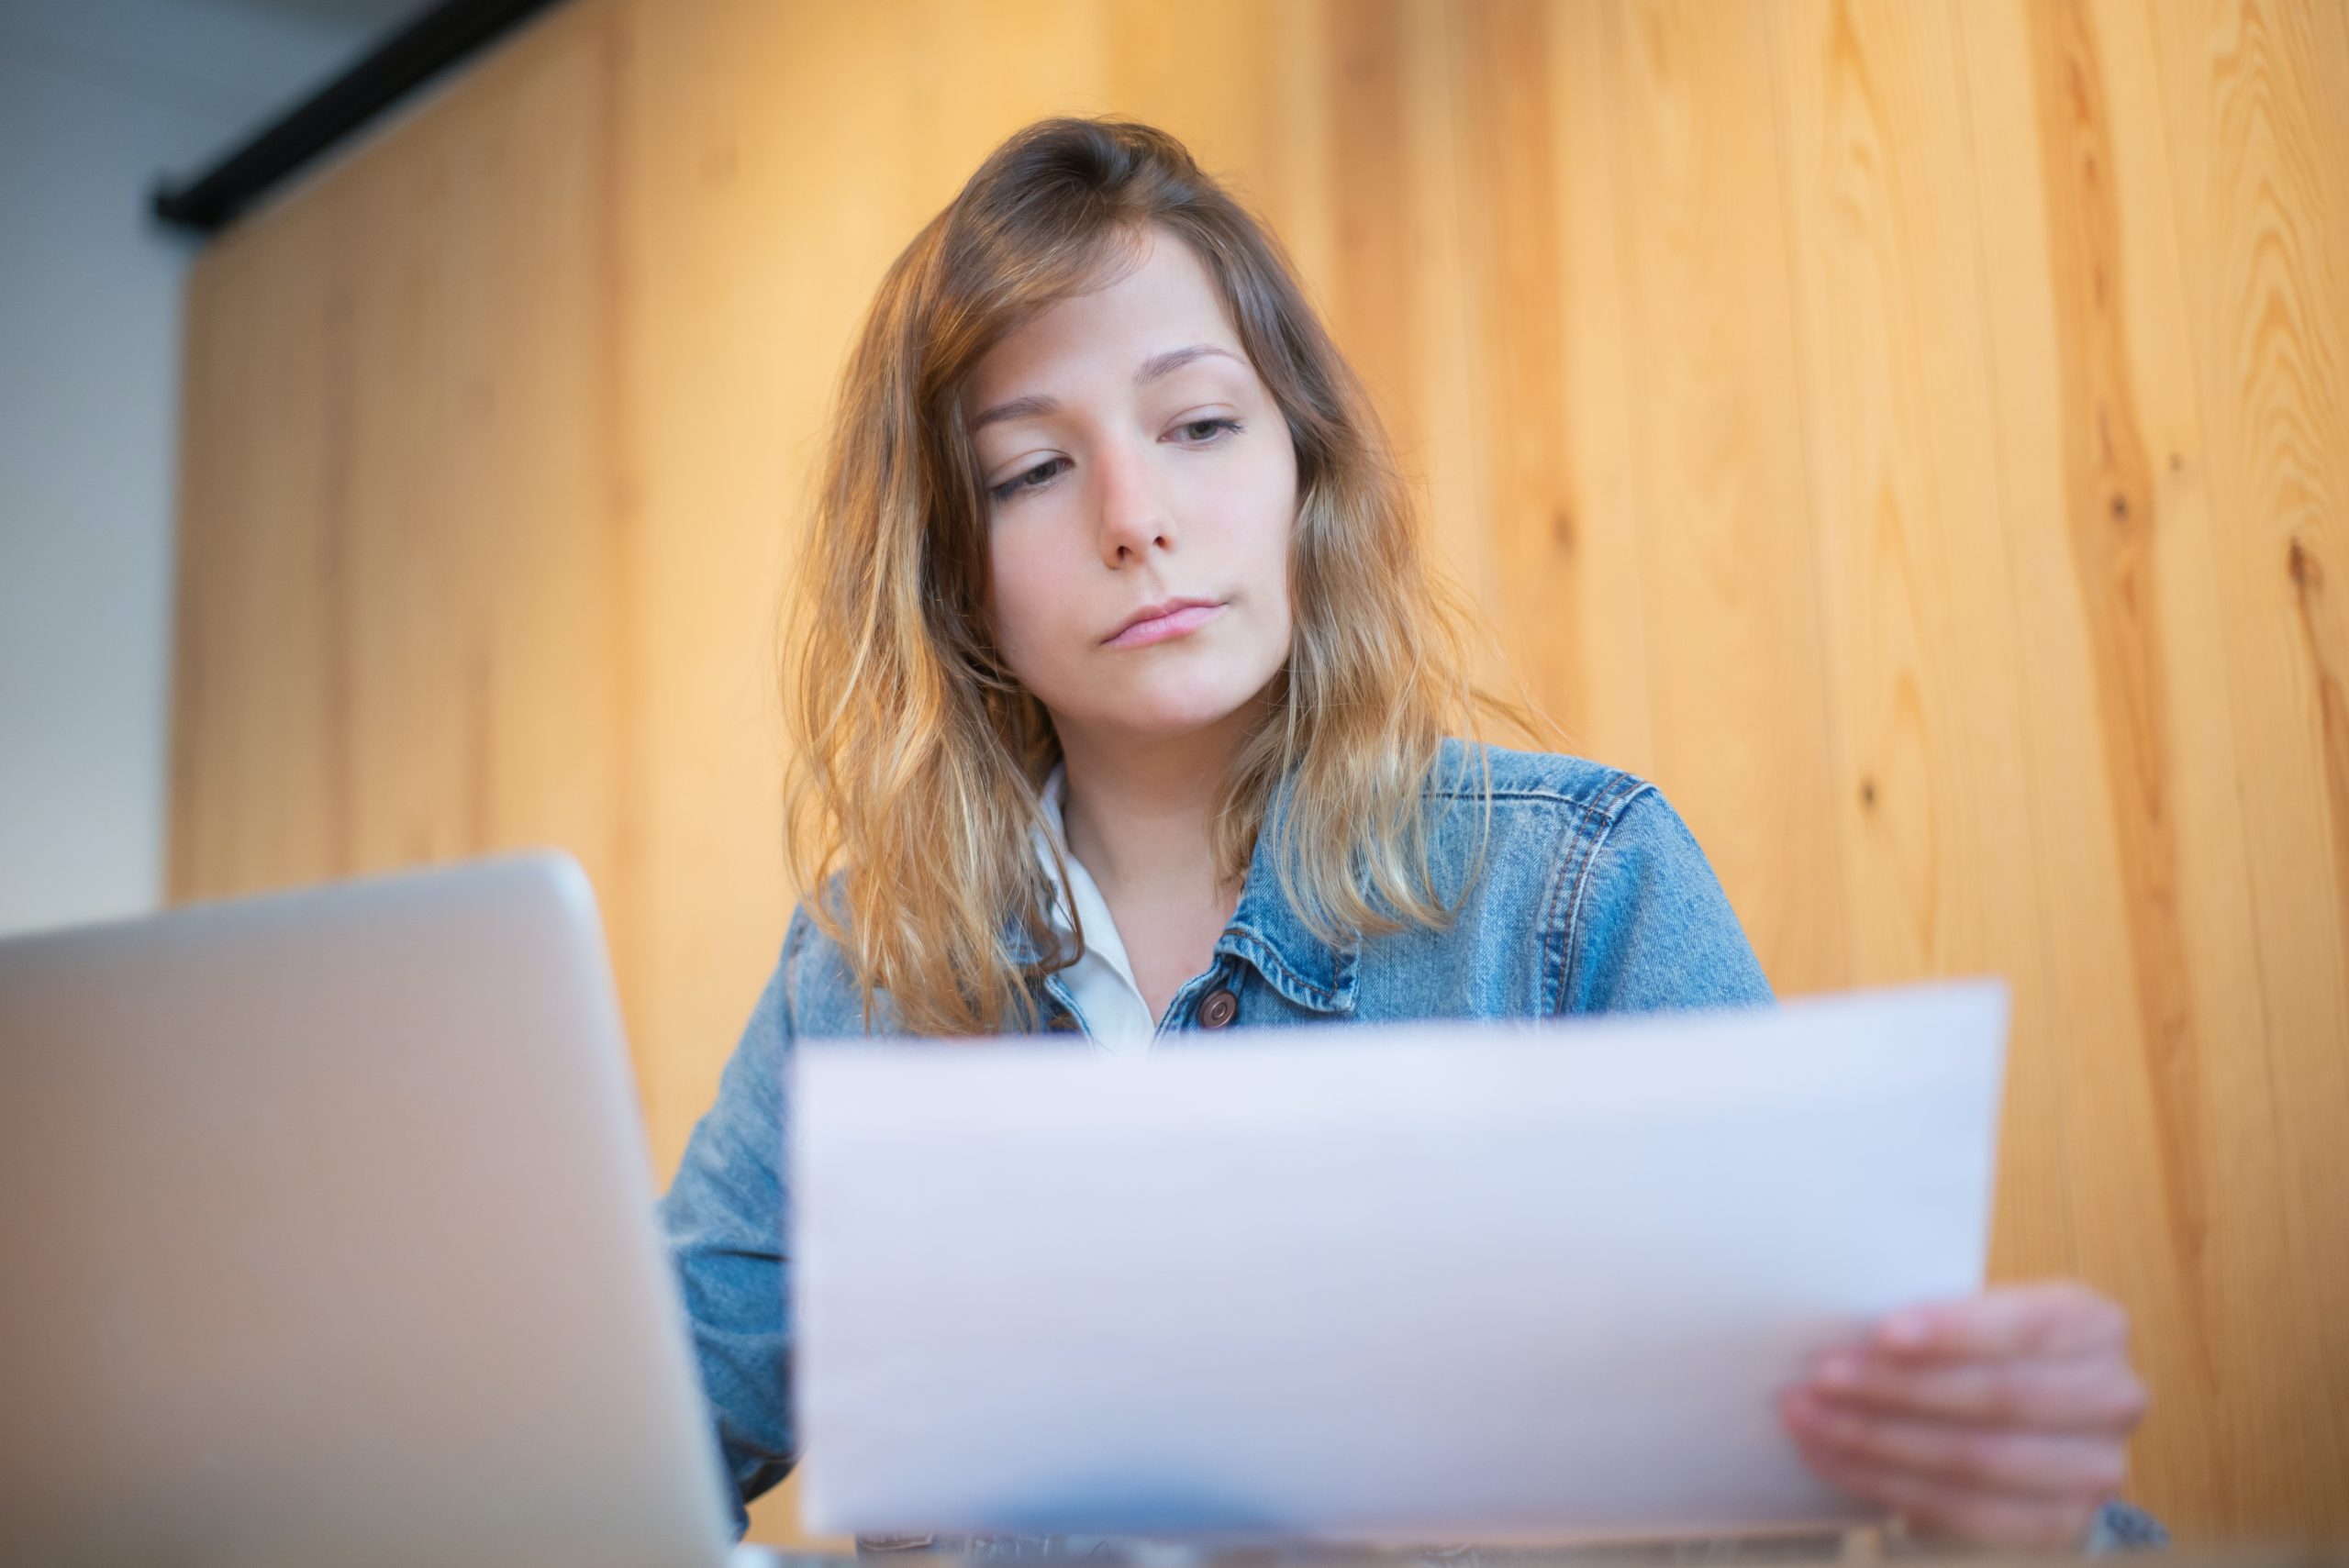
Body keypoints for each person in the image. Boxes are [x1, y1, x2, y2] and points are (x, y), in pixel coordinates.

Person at [658, 116, 2159, 1557]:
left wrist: (1991, 1513)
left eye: (1197, 424)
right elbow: (620, 1443)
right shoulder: (859, 972)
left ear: (1301, 470)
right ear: (951, 568)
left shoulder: (1577, 887)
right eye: (1031, 470)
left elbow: (1841, 1495)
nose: (1134, 515)